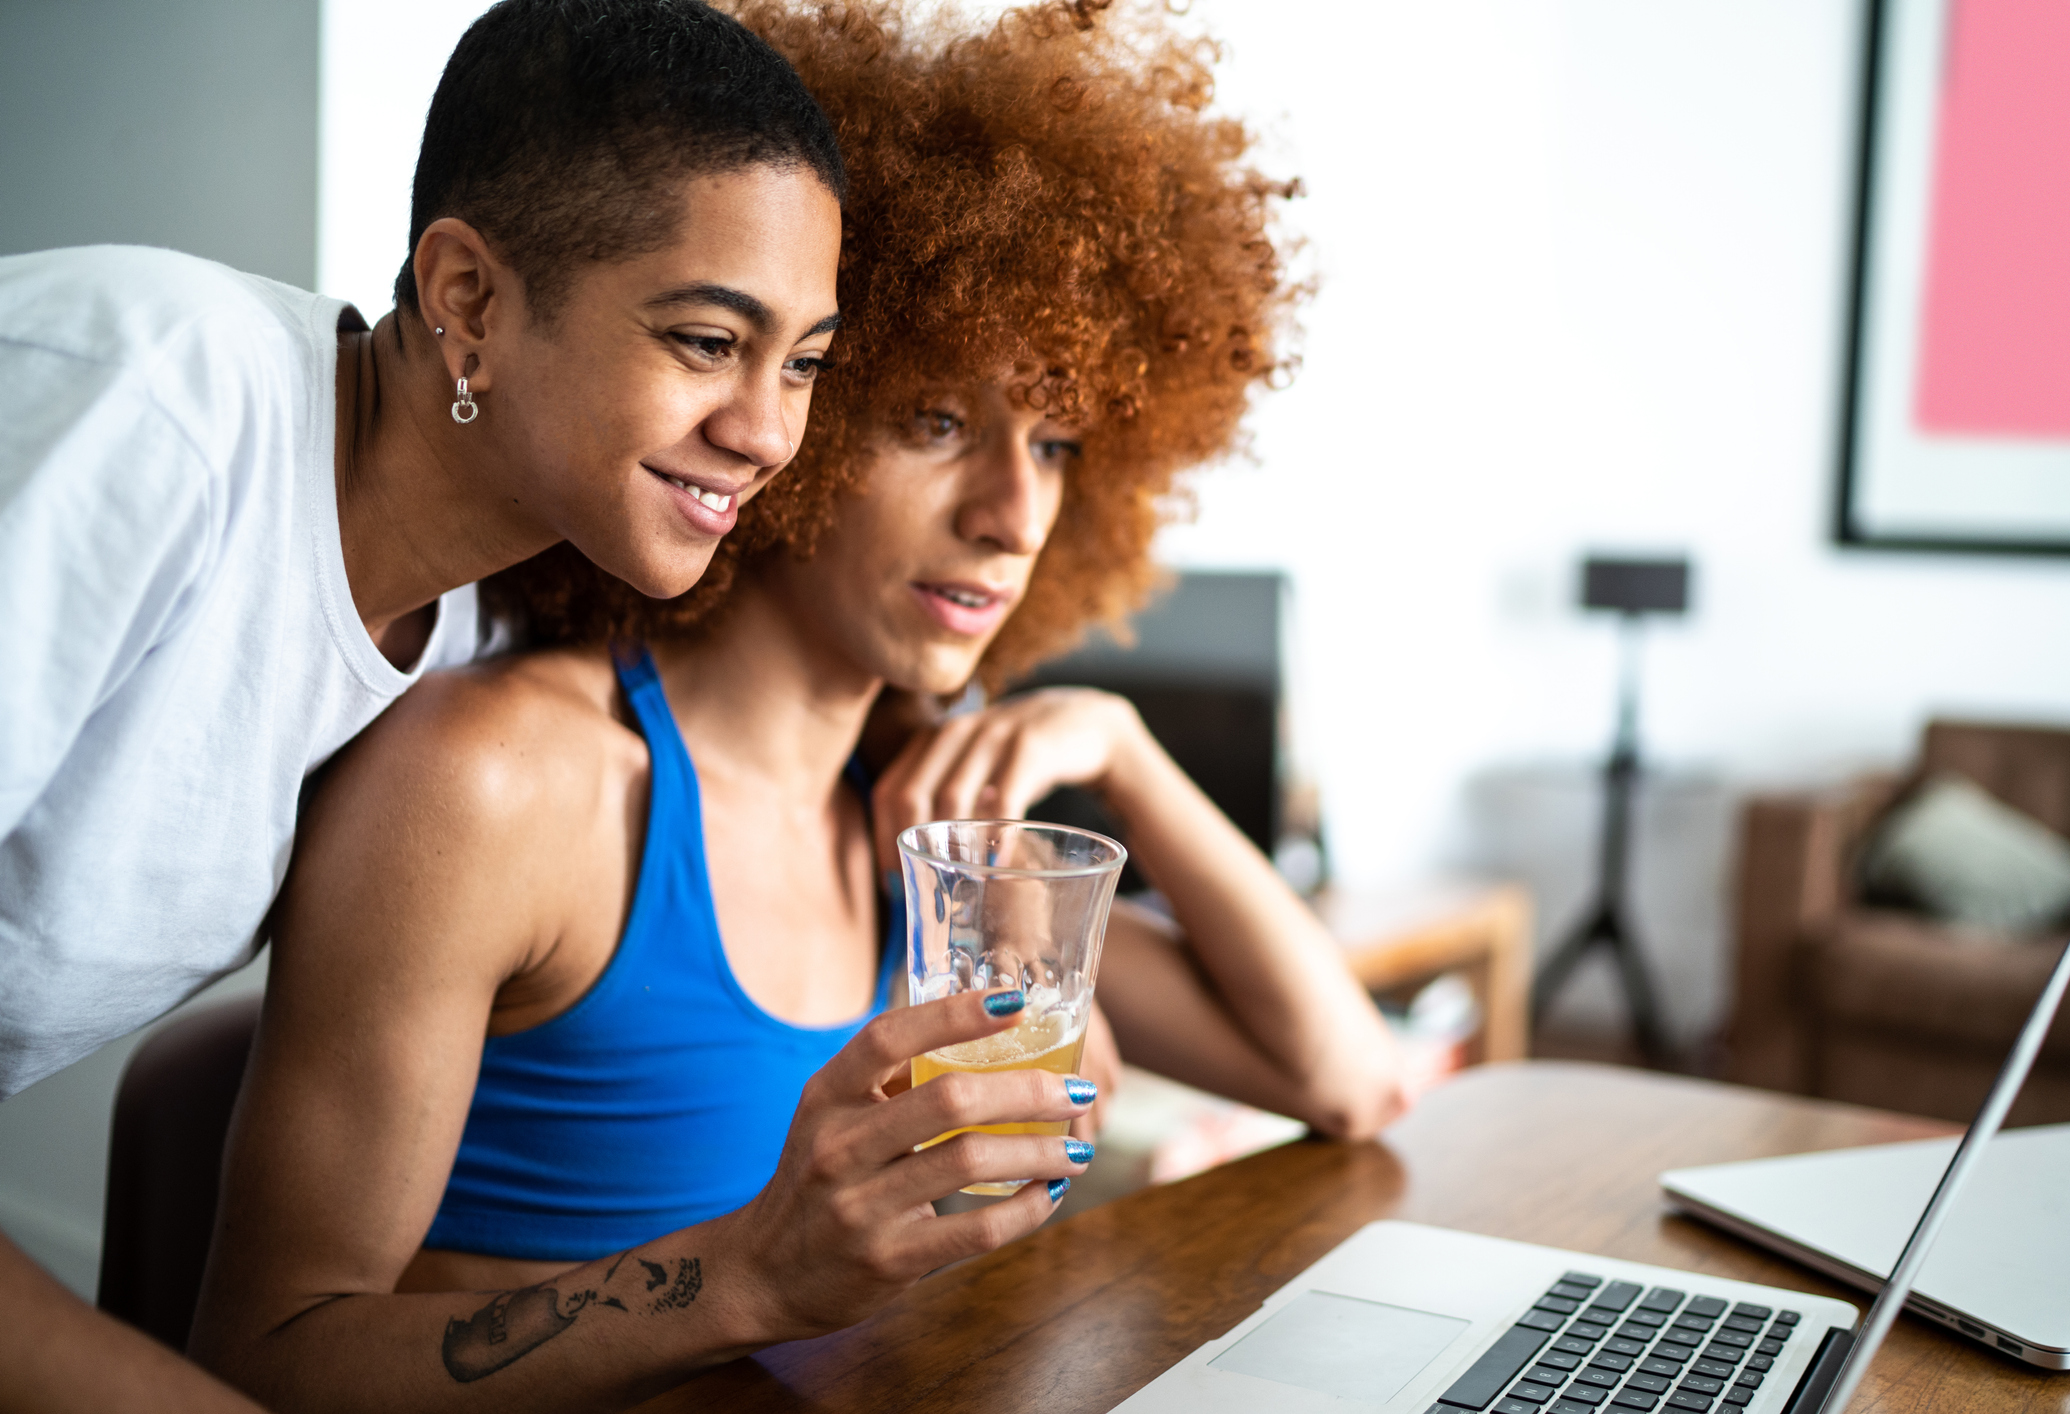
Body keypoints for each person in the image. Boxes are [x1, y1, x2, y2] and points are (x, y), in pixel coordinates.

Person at [189, 3, 1410, 1412]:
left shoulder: (936, 835)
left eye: (1059, 442)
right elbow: (258, 1358)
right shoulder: (505, 782)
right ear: (807, 418)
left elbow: (1352, 1080)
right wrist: (753, 1275)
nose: (1016, 515)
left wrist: (1122, 753)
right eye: (937, 421)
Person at [0, 2, 848, 1409]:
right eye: (708, 339)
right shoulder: (159, 404)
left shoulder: (469, 625)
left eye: (804, 362)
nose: (767, 430)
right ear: (466, 299)